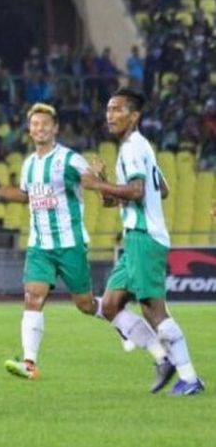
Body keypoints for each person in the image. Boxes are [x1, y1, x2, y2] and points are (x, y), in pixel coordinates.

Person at [0, 103, 144, 381]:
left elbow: (96, 188)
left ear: (55, 129)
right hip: (40, 246)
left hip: (69, 244)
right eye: (35, 125)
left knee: (86, 305)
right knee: (32, 296)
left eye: (44, 124)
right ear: (30, 130)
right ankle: (30, 363)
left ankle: (121, 319)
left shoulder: (70, 159)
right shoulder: (28, 164)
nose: (39, 129)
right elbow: (25, 195)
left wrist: (99, 177)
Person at [84, 88, 204, 395]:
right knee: (110, 305)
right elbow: (160, 188)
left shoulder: (133, 147)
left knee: (154, 310)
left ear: (134, 116)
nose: (109, 115)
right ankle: (163, 359)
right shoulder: (140, 147)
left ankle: (190, 377)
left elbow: (137, 191)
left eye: (117, 109)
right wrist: (106, 183)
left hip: (145, 237)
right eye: (108, 109)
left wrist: (99, 182)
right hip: (134, 238)